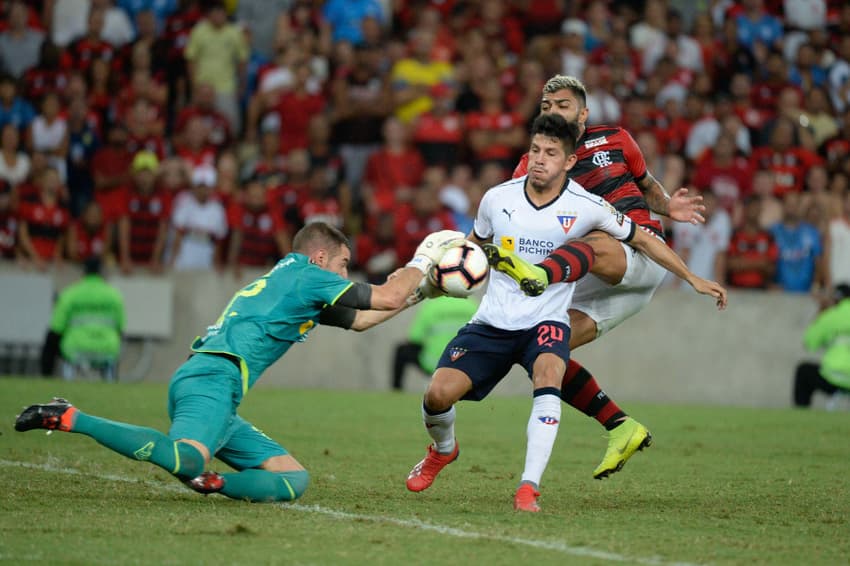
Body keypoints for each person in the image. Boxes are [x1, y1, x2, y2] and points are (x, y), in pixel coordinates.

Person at [405, 114, 727, 512]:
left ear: (569, 162)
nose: (540, 159)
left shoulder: (587, 206)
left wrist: (691, 277)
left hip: (547, 321)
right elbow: (472, 251)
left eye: (551, 153)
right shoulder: (497, 198)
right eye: (536, 150)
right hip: (494, 321)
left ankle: (528, 487)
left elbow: (642, 238)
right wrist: (440, 276)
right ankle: (443, 450)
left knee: (548, 376)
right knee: (437, 395)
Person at [17, 223, 466, 503]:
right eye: (343, 265)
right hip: (211, 378)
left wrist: (423, 291)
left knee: (292, 479)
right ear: (320, 258)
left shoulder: (291, 283)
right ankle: (69, 415)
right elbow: (385, 294)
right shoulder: (308, 276)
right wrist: (423, 259)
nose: (346, 276)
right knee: (184, 459)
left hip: (219, 391)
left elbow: (366, 319)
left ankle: (217, 485)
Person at [501, 75, 707, 480]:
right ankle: (621, 426)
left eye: (562, 105)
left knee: (599, 235)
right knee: (537, 351)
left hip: (639, 252)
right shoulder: (533, 164)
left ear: (583, 113)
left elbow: (645, 185)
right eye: (546, 107)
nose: (553, 113)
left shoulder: (615, 138)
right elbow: (515, 215)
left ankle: (541, 276)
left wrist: (669, 207)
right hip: (606, 279)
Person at [40, 256, 126, 381]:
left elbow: (56, 329)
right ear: (102, 273)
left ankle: (46, 380)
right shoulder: (114, 295)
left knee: (50, 340)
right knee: (116, 342)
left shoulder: (70, 293)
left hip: (75, 349)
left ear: (84, 272)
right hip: (107, 349)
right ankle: (111, 381)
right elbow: (121, 329)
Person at [392, 295, 478, 391]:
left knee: (402, 350)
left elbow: (415, 338)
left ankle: (396, 390)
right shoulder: (472, 305)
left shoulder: (432, 305)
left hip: (434, 364)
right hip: (463, 363)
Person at [794, 284, 850, 408]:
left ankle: (801, 415)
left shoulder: (832, 315)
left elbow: (809, 342)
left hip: (835, 376)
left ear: (835, 299)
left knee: (803, 371)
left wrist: (822, 310)